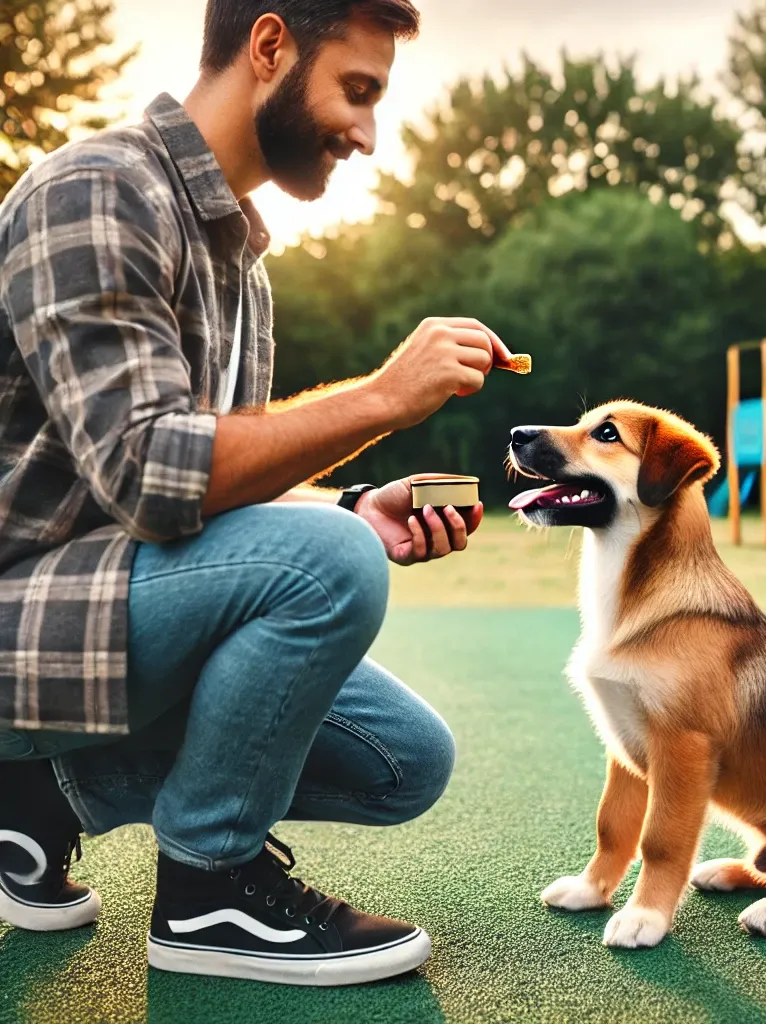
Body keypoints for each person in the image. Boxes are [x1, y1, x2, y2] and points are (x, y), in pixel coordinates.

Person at [0, 0, 502, 987]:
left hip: (93, 612)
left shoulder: (243, 274)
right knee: (329, 567)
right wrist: (379, 400)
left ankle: (37, 795)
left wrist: (351, 507)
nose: (367, 132)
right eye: (356, 91)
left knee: (402, 756)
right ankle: (209, 891)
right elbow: (150, 472)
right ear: (270, 47)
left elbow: (208, 503)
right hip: (20, 613)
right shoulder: (97, 188)